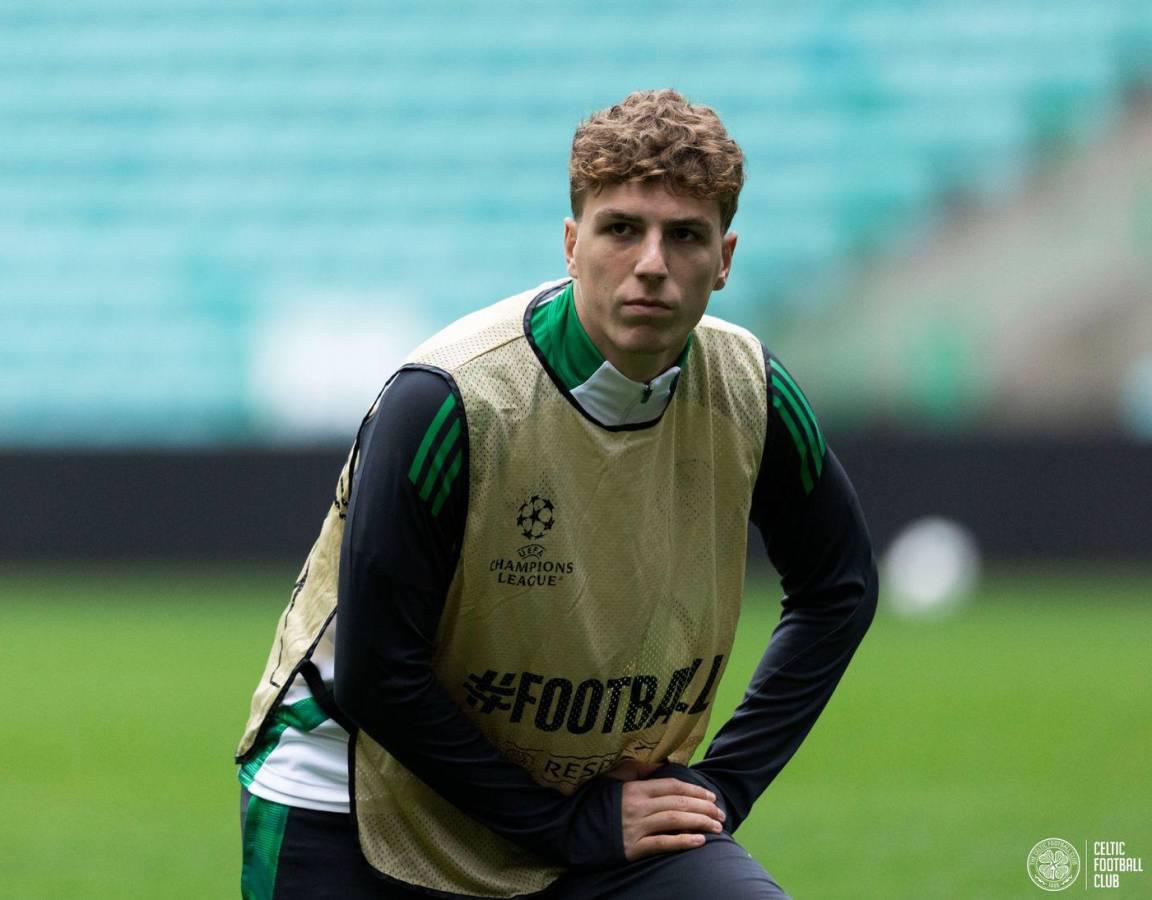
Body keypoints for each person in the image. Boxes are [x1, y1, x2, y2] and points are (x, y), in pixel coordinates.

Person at [235, 89, 877, 899]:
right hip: (358, 793)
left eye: (685, 236)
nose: (651, 263)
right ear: (572, 244)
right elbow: (379, 673)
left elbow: (839, 589)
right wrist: (559, 827)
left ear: (725, 258)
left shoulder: (752, 389)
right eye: (621, 229)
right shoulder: (450, 399)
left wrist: (725, 787)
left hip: (601, 806)